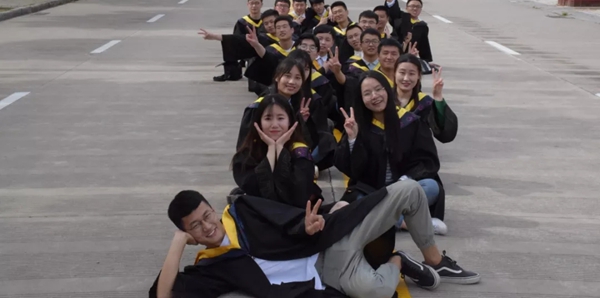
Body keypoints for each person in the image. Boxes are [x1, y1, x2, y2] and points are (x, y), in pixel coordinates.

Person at [151, 179, 480, 297]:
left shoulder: (241, 212)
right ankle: (397, 261)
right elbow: (163, 295)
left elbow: (284, 218)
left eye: (206, 216)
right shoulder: (212, 266)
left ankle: (436, 260)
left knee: (409, 190)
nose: (207, 226)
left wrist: (308, 225)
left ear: (212, 208)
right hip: (326, 276)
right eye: (195, 226)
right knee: (376, 292)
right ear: (189, 234)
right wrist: (177, 244)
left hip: (330, 238)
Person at [335, 71, 449, 235]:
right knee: (359, 201)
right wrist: (352, 139)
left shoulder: (410, 121)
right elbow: (351, 169)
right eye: (367, 93)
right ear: (361, 99)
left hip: (403, 189)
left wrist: (405, 181)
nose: (374, 96)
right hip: (372, 191)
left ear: (387, 90)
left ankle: (382, 218)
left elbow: (427, 160)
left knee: (431, 187)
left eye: (378, 89)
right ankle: (406, 223)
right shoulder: (359, 126)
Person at [231, 94, 323, 208]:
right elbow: (256, 191)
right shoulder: (248, 152)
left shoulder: (300, 152)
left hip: (295, 213)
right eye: (268, 118)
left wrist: (280, 149)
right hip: (258, 211)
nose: (274, 125)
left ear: (290, 121)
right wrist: (271, 150)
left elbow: (298, 197)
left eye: (280, 118)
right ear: (258, 122)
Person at [395, 54, 458, 144]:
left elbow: (445, 133)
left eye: (411, 74)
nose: (406, 78)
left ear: (418, 76)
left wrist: (438, 97)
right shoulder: (384, 100)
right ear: (394, 73)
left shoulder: (424, 103)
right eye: (402, 73)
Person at [382, 0, 433, 64]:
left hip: (409, 60)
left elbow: (424, 46)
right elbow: (390, 1)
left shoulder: (422, 26)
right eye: (412, 6)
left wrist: (426, 62)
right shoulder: (400, 18)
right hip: (394, 56)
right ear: (406, 7)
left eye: (418, 7)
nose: (415, 9)